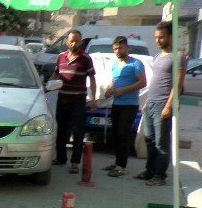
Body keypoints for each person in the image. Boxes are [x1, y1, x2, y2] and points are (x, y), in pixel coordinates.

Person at [134, 21, 186, 186]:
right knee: (149, 139)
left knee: (161, 143)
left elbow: (177, 85)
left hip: (164, 104)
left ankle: (160, 175)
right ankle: (150, 171)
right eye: (156, 37)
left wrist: (168, 106)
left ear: (170, 36)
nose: (158, 40)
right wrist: (147, 101)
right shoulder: (157, 57)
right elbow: (154, 82)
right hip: (151, 104)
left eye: (161, 37)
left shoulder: (178, 56)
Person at [49, 30, 97, 174]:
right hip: (62, 100)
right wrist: (45, 86)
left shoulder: (85, 59)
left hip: (78, 102)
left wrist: (93, 99)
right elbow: (56, 74)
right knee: (61, 131)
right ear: (67, 42)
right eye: (72, 41)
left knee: (78, 133)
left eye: (77, 40)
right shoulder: (60, 57)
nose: (74, 43)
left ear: (81, 42)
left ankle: (75, 162)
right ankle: (61, 157)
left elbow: (92, 79)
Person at [103, 36, 146, 177]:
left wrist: (123, 90)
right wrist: (109, 90)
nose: (117, 51)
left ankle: (122, 166)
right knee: (115, 134)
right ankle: (117, 163)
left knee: (123, 134)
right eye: (115, 48)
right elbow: (113, 81)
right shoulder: (115, 64)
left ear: (126, 47)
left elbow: (142, 83)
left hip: (130, 105)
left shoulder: (136, 63)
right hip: (117, 104)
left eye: (120, 48)